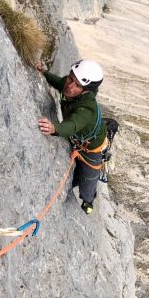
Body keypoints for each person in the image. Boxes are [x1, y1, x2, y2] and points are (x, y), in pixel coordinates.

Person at [37, 60, 107, 214]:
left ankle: (88, 200)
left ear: (86, 91)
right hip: (79, 139)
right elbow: (60, 82)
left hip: (92, 149)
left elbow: (73, 125)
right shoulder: (70, 85)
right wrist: (45, 73)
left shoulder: (87, 108)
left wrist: (54, 128)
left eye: (77, 85)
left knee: (88, 180)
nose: (70, 85)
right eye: (70, 78)